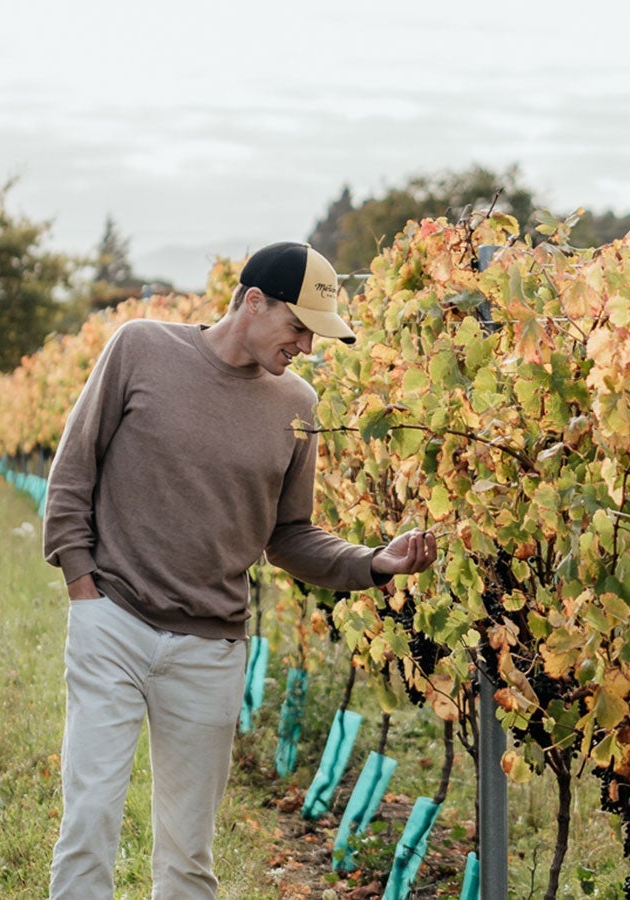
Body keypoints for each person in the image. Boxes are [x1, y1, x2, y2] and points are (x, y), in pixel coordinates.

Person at [41, 241, 435, 899]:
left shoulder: (298, 406)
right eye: (299, 326)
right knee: (89, 823)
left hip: (211, 650)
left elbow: (289, 537)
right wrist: (83, 589)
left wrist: (372, 562)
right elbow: (72, 472)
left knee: (189, 857)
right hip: (113, 624)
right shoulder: (139, 349)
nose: (306, 346)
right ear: (254, 301)